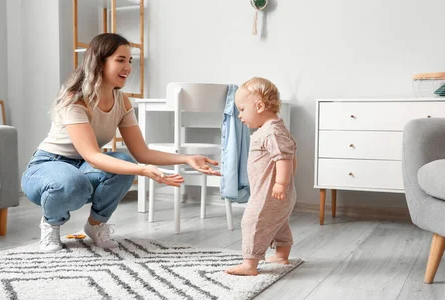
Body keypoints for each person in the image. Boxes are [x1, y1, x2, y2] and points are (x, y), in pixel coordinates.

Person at [21, 33, 220, 252]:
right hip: (48, 166)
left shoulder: (122, 101)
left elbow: (142, 153)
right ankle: (51, 224)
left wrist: (186, 158)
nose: (128, 67)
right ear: (99, 62)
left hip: (85, 167)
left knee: (124, 163)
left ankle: (96, 225)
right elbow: (93, 156)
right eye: (120, 60)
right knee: (72, 183)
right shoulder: (75, 99)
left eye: (130, 61)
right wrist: (142, 170)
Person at [225, 77, 297, 276]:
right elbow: (291, 157)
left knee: (252, 221)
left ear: (259, 106)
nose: (240, 115)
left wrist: (281, 183)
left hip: (270, 192)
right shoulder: (275, 129)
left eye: (241, 109)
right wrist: (288, 184)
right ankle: (282, 256)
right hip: (278, 192)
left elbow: (284, 158)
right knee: (279, 223)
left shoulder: (271, 132)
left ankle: (249, 264)